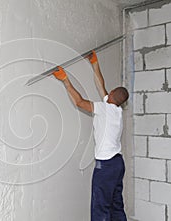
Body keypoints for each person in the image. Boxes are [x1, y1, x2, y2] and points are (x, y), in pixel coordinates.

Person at [52, 50, 129, 221]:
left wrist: (65, 80)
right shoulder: (116, 110)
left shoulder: (104, 109)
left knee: (100, 207)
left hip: (107, 166)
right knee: (116, 205)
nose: (107, 93)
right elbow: (101, 85)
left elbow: (79, 102)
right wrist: (95, 62)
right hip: (118, 164)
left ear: (113, 94)